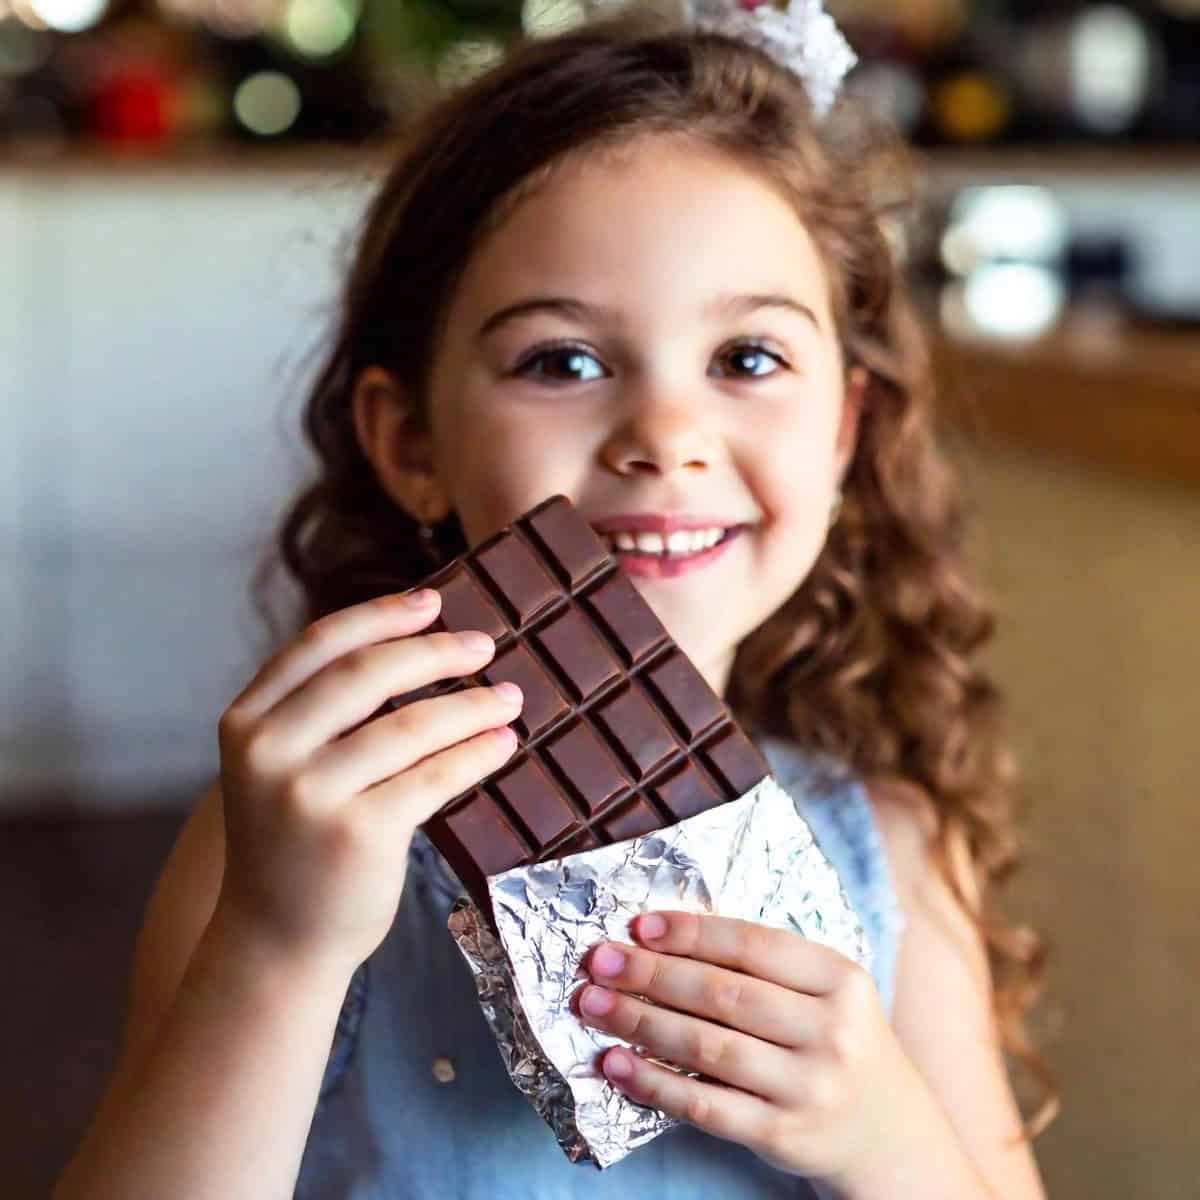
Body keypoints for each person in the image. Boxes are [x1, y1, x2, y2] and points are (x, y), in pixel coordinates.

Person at [55, 5, 1057, 1198]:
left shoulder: (889, 853)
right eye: (563, 362)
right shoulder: (289, 845)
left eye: (747, 358)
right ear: (411, 442)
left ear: (844, 432)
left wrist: (887, 1136)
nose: (667, 438)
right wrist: (278, 947)